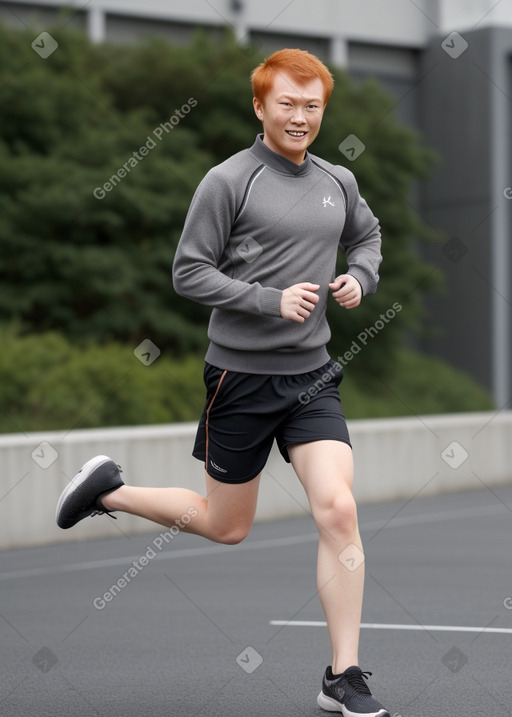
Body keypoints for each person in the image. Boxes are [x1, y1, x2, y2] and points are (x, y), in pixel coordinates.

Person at [56, 48, 389, 717]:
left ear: (324, 110)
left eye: (312, 105)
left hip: (313, 376)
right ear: (260, 106)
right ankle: (110, 491)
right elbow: (188, 272)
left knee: (339, 508)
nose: (300, 117)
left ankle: (342, 675)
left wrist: (362, 277)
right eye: (287, 104)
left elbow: (370, 236)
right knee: (226, 525)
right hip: (240, 376)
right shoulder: (227, 181)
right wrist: (268, 299)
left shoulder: (337, 181)